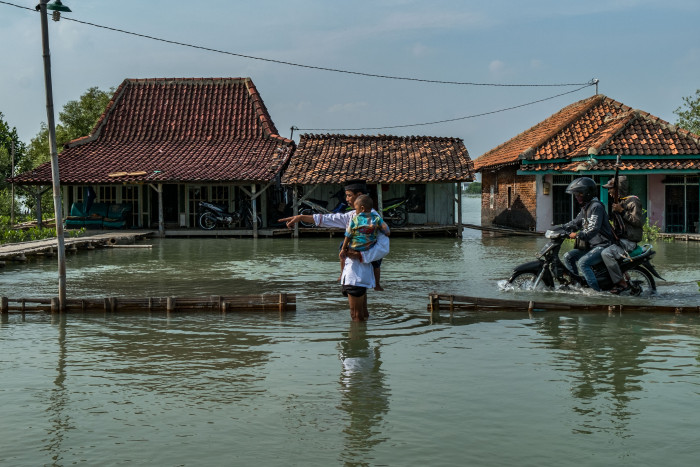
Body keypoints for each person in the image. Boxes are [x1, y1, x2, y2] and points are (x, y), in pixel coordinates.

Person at [279, 180, 389, 321]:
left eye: (349, 195)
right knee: (362, 314)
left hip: (356, 274)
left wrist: (359, 255)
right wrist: (301, 217)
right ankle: (362, 338)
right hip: (359, 274)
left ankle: (356, 340)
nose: (347, 199)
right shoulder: (353, 216)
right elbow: (328, 219)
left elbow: (383, 247)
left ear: (359, 195)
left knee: (356, 316)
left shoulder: (373, 220)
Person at [562, 177, 614, 292]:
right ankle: (576, 286)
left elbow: (593, 229)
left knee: (583, 262)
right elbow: (575, 223)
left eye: (579, 194)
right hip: (591, 246)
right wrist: (560, 228)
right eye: (575, 194)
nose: (576, 197)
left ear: (587, 193)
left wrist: (577, 235)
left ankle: (596, 292)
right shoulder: (585, 208)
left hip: (602, 245)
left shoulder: (596, 207)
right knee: (568, 256)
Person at [600, 176, 645, 294]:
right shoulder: (619, 202)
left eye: (611, 189)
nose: (609, 192)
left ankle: (620, 282)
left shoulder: (633, 201)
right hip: (620, 239)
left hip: (629, 241)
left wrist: (622, 211)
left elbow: (638, 221)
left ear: (618, 189)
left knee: (606, 253)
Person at [340, 194, 390, 277]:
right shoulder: (376, 218)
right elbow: (387, 231)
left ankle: (342, 274)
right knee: (377, 261)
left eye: (356, 209)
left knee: (341, 248)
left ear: (362, 209)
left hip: (355, 247)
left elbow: (348, 235)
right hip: (369, 247)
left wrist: (343, 248)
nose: (355, 211)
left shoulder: (355, 219)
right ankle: (377, 284)